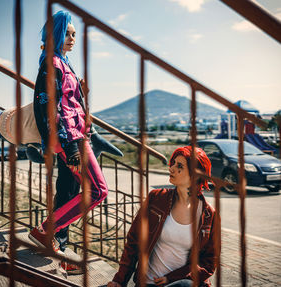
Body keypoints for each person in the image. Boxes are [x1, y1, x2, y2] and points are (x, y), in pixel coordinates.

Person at [28, 11, 108, 274]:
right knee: (96, 191)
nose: (73, 38)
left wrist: (82, 94)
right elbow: (48, 106)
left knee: (73, 191)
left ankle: (53, 241)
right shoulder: (52, 63)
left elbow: (68, 103)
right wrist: (66, 143)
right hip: (70, 141)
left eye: (75, 34)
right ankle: (46, 232)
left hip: (75, 137)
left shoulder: (62, 62)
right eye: (69, 34)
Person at [108, 146, 220, 287]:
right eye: (172, 163)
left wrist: (172, 278)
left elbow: (209, 263)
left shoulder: (209, 215)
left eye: (179, 166)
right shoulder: (156, 198)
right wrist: (119, 280)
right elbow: (133, 241)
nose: (171, 168)